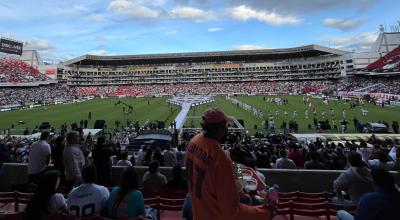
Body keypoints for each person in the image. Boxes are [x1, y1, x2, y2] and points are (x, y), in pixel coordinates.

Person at [185, 108, 269, 220]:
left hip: (198, 209)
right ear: (219, 128)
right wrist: (266, 212)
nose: (227, 128)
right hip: (214, 215)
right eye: (225, 125)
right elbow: (232, 212)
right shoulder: (221, 157)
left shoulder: (195, 140)